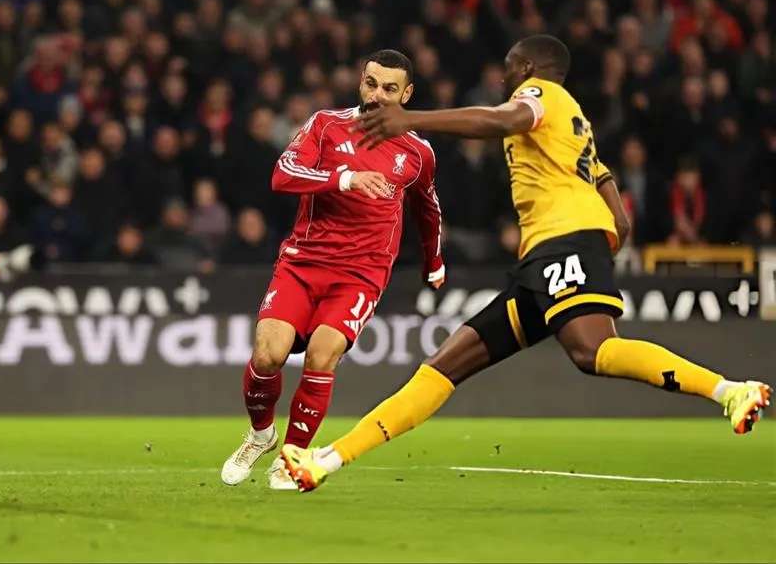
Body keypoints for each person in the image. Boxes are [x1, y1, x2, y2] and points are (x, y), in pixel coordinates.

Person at [282, 35, 772, 492]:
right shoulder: (572, 120)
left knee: (593, 351)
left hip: (563, 240)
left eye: (510, 65)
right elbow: (605, 184)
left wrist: (411, 119)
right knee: (443, 366)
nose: (504, 75)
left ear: (530, 67)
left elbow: (503, 120)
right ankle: (327, 460)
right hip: (543, 256)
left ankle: (729, 391)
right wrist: (613, 228)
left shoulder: (542, 94)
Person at [221, 50, 445, 490]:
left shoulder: (418, 152)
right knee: (267, 354)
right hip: (304, 261)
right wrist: (344, 178)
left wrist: (434, 261)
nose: (377, 95)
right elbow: (282, 175)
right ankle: (261, 434)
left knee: (323, 355)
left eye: (390, 88)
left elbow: (427, 208)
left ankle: (291, 457)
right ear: (361, 82)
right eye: (371, 84)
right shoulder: (325, 125)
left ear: (407, 94)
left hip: (361, 273)